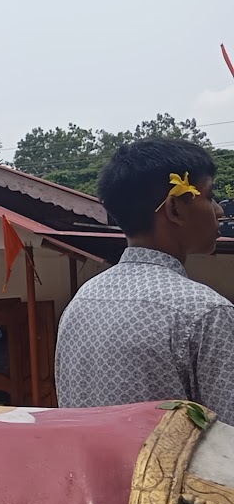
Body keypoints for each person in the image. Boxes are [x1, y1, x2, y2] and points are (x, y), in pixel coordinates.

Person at [57, 137, 234, 414]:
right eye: (210, 196)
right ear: (175, 209)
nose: (220, 210)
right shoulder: (206, 313)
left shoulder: (80, 304)